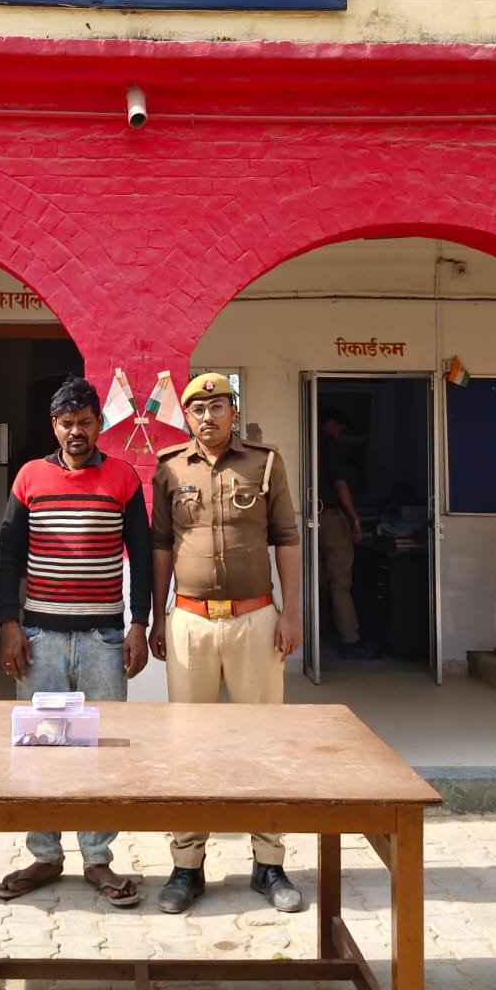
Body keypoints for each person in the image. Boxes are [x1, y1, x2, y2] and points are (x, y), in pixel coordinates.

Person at [147, 372, 305, 914]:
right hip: (190, 622)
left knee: (263, 742)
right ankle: (187, 866)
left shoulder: (265, 463)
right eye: (197, 408)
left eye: (217, 407)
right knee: (189, 748)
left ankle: (269, 863)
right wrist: (157, 617)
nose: (207, 416)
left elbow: (286, 537)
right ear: (187, 417)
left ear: (232, 412)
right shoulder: (169, 467)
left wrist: (292, 613)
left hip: (255, 620)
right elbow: (161, 544)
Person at [0, 376, 153, 907]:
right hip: (40, 637)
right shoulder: (30, 477)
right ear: (54, 426)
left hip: (105, 638)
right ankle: (44, 854)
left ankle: (97, 857)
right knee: (41, 748)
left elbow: (142, 555)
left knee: (99, 751)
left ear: (99, 425)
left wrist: (138, 624)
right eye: (67, 423)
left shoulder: (123, 477)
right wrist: (10, 625)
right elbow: (9, 554)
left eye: (85, 421)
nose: (76, 431)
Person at [319, 407, 381, 660]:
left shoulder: (308, 443)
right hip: (331, 518)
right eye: (341, 429)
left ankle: (320, 632)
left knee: (318, 581)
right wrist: (355, 519)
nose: (341, 434)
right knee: (340, 582)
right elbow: (340, 484)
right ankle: (350, 637)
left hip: (312, 519)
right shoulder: (331, 446)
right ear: (332, 423)